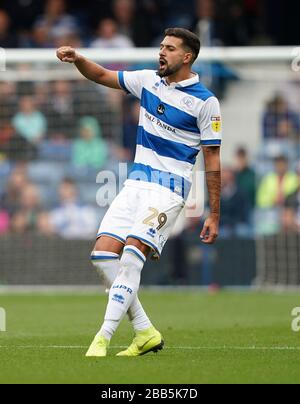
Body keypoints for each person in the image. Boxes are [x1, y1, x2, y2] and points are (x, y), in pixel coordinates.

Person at [57, 27, 222, 357]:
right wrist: (78, 59)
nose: (162, 52)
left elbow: (213, 158)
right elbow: (102, 74)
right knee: (103, 255)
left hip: (169, 190)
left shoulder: (205, 103)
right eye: (161, 46)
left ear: (187, 57)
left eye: (170, 48)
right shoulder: (148, 80)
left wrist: (214, 212)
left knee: (131, 257)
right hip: (135, 184)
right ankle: (145, 331)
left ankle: (101, 339)